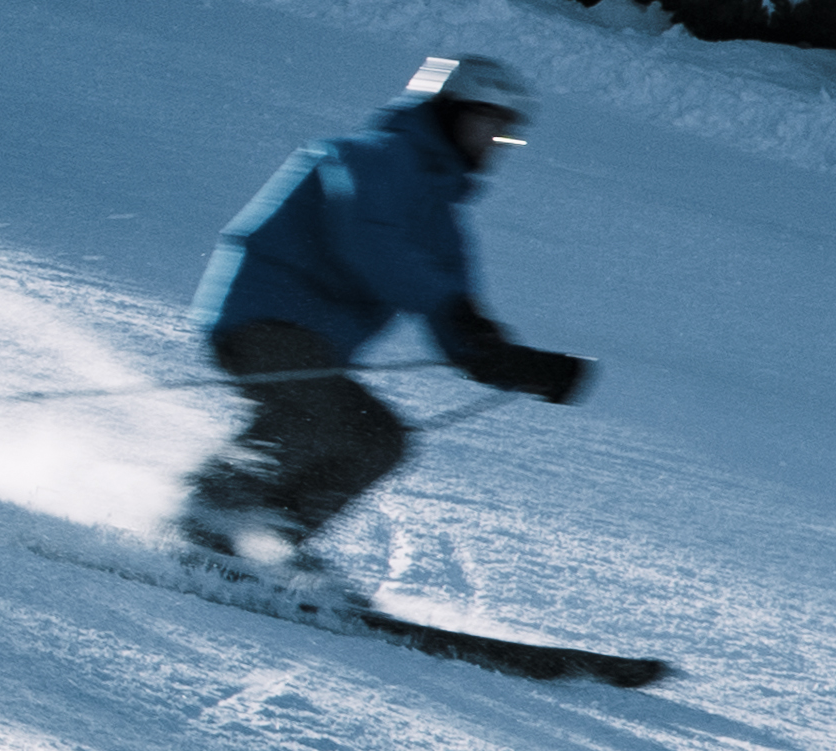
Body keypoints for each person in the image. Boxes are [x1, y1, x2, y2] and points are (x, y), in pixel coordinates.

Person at [173, 52, 596, 579]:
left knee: (378, 437)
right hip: (263, 320)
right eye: (488, 123)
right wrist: (452, 308)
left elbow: (459, 330)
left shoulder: (443, 224)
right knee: (315, 416)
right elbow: (369, 242)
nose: (496, 143)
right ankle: (207, 513)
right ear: (448, 110)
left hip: (315, 345)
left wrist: (522, 366)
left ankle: (274, 536)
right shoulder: (375, 155)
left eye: (508, 135)